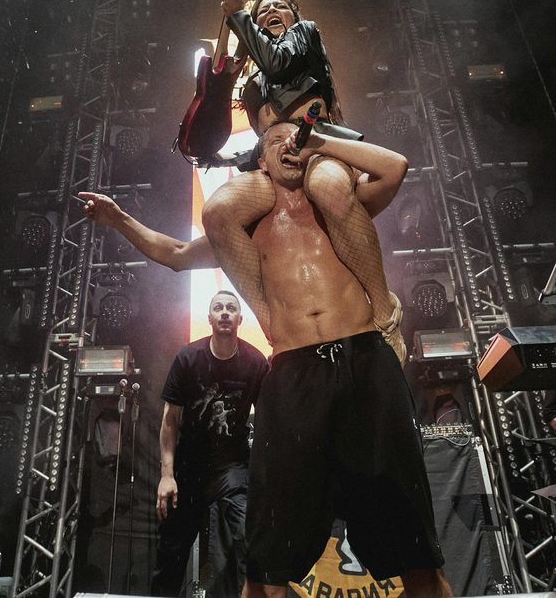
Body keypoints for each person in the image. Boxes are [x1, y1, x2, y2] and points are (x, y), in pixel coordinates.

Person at [81, 126, 453, 597]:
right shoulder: (247, 232)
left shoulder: (340, 207)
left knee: (417, 554)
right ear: (260, 163)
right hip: (295, 371)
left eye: (297, 137)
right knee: (266, 566)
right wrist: (117, 219)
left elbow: (394, 167)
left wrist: (320, 142)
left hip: (363, 357)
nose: (289, 143)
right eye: (276, 140)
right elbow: (173, 254)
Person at [208, 0, 405, 361]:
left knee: (329, 187)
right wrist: (223, 157)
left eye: (280, 6)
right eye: (263, 10)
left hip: (316, 145)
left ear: (294, 15)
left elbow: (278, 64)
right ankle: (273, 327)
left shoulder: (303, 35)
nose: (271, 11)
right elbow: (265, 136)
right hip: (276, 161)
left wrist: (239, 16)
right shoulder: (255, 79)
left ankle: (385, 313)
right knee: (217, 211)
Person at [150, 289, 268, 598]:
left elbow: (269, 420)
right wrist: (166, 475)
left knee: (247, 539)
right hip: (189, 465)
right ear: (210, 318)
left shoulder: (255, 362)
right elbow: (170, 420)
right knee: (171, 550)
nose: (225, 312)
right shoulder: (188, 358)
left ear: (240, 319)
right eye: (218, 308)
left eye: (231, 308)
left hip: (232, 465)